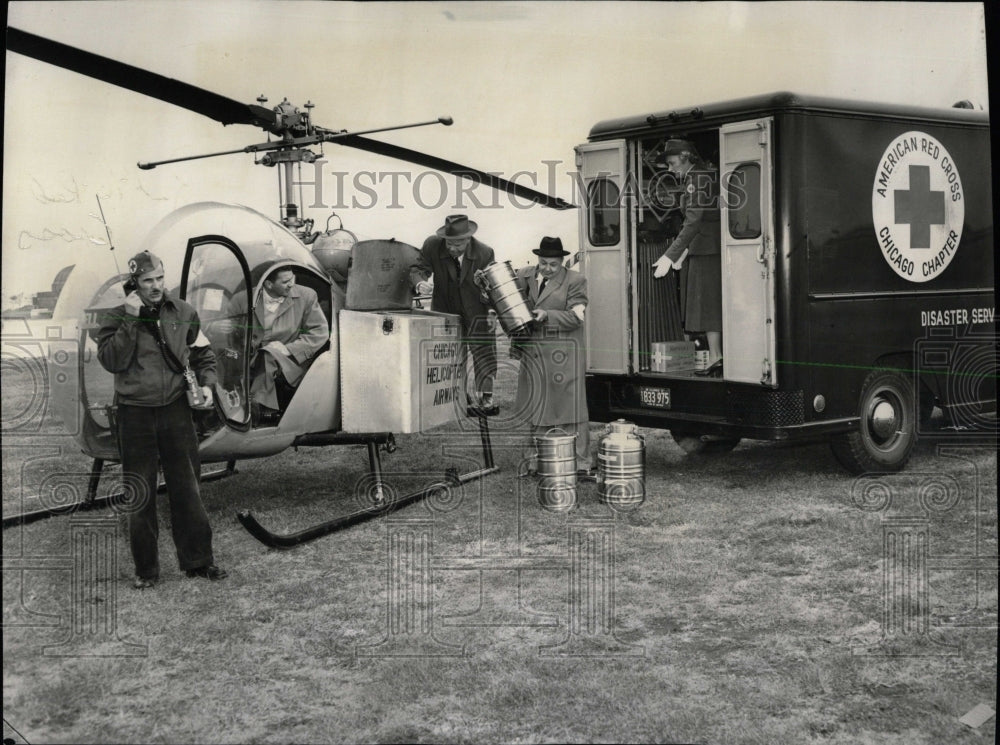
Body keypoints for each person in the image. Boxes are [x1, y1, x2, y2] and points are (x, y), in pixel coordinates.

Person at [96, 250, 226, 588]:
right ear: (134, 284)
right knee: (140, 493)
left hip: (175, 411)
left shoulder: (183, 312)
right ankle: (147, 572)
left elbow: (203, 354)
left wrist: (209, 385)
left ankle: (199, 562)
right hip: (134, 414)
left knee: (188, 488)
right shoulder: (114, 317)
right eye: (147, 281)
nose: (156, 287)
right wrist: (130, 318)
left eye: (159, 279)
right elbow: (112, 360)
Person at [513, 237, 594, 477]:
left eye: (553, 264)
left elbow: (576, 317)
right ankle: (535, 461)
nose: (547, 268)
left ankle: (580, 462)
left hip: (563, 355)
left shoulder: (576, 280)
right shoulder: (525, 275)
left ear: (562, 262)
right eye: (543, 262)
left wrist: (547, 315)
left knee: (571, 410)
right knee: (536, 406)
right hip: (534, 354)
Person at [222, 264, 330, 425]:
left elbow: (319, 331)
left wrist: (288, 349)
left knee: (268, 354)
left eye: (292, 278)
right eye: (285, 281)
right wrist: (223, 328)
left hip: (289, 362)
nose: (291, 284)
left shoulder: (306, 296)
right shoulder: (241, 299)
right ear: (268, 284)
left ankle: (257, 410)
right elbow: (227, 333)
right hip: (248, 359)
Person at [411, 214, 498, 410]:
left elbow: (493, 286)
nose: (451, 248)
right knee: (450, 355)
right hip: (445, 311)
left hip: (477, 311)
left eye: (457, 245)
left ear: (468, 240)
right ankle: (457, 394)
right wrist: (420, 282)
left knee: (483, 352)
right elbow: (417, 268)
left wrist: (492, 310)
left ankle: (486, 396)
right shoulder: (432, 245)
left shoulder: (485, 253)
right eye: (448, 243)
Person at [651, 139, 723, 374]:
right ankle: (714, 355)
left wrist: (670, 255)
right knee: (705, 303)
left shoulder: (698, 179)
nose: (670, 169)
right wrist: (684, 251)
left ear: (685, 157)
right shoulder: (699, 177)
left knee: (707, 304)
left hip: (707, 248)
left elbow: (693, 220)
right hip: (702, 247)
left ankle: (716, 355)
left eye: (672, 163)